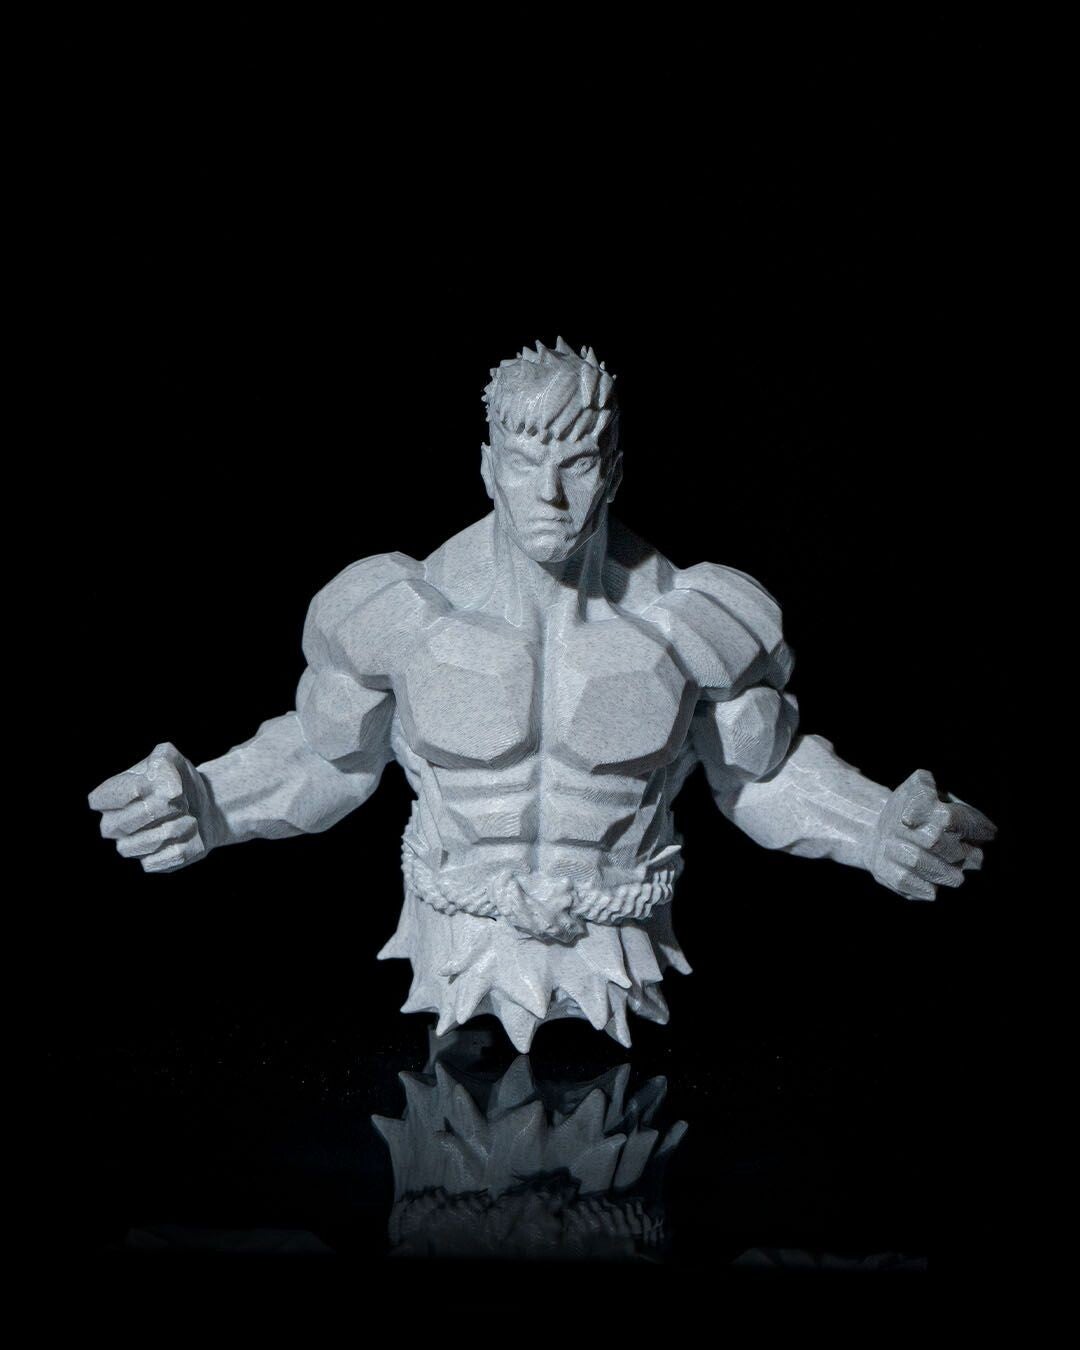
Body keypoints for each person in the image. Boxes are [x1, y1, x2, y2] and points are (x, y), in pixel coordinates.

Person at [88, 337, 996, 1051]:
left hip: (629, 975)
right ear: (488, 466)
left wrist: (875, 828)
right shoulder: (399, 612)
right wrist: (208, 802)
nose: (551, 496)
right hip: (450, 967)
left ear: (615, 468)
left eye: (579, 463)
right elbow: (330, 755)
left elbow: (760, 773)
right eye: (526, 464)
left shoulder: (697, 621)